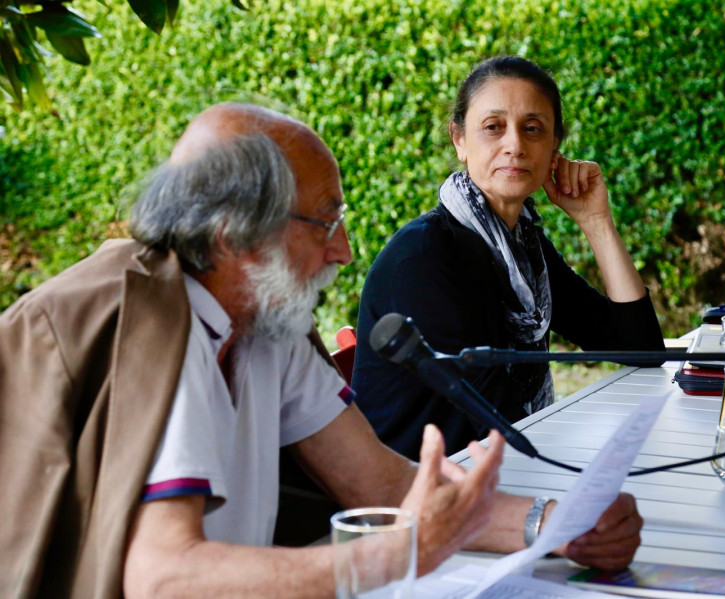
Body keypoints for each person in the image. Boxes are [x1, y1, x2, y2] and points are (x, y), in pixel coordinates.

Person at [0, 102, 643, 599]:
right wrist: (394, 555)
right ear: (235, 231)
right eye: (325, 221)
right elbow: (163, 579)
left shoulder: (260, 323)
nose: (343, 252)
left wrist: (559, 525)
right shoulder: (157, 332)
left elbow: (381, 482)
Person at [353, 56, 666, 460]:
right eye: (492, 127)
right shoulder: (425, 257)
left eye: (532, 129)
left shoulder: (522, 245)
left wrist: (597, 222)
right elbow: (504, 422)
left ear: (554, 148)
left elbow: (641, 348)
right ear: (459, 140)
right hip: (420, 493)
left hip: (494, 469)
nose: (515, 145)